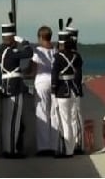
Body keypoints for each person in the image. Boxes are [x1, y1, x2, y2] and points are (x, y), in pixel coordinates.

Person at [0, 15, 33, 158]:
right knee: (14, 121)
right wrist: (24, 41)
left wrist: (2, 86)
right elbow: (29, 53)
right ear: (11, 38)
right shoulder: (10, 51)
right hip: (15, 88)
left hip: (6, 87)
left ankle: (8, 149)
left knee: (7, 121)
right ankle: (11, 150)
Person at [51, 29, 83, 158]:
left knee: (65, 122)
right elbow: (78, 75)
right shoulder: (77, 57)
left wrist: (53, 90)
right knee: (73, 120)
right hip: (74, 90)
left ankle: (67, 151)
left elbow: (54, 76)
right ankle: (74, 147)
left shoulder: (58, 57)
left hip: (62, 91)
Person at [27, 25, 57, 156]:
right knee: (54, 114)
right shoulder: (56, 51)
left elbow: (32, 71)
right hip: (55, 83)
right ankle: (55, 145)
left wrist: (24, 74)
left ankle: (44, 147)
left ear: (40, 37)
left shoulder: (37, 51)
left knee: (42, 114)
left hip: (41, 83)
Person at [65, 17, 84, 154]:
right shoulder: (74, 55)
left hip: (73, 89)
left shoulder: (74, 56)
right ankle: (74, 143)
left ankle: (79, 144)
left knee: (75, 118)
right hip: (70, 89)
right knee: (72, 118)